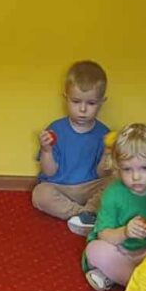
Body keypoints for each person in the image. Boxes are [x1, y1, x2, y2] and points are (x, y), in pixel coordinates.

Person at [81, 123, 146, 291]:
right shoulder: (112, 194)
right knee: (94, 250)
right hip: (119, 250)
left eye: (144, 168)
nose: (136, 176)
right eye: (127, 169)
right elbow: (103, 235)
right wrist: (125, 232)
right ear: (117, 166)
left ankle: (114, 276)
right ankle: (142, 286)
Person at [32, 60, 112, 234]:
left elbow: (102, 174)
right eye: (76, 101)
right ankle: (83, 214)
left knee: (115, 183)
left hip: (91, 186)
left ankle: (88, 212)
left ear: (102, 102)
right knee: (40, 194)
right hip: (60, 187)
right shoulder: (55, 129)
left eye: (91, 103)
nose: (82, 109)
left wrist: (107, 152)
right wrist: (46, 150)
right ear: (66, 98)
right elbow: (49, 172)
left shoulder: (104, 134)